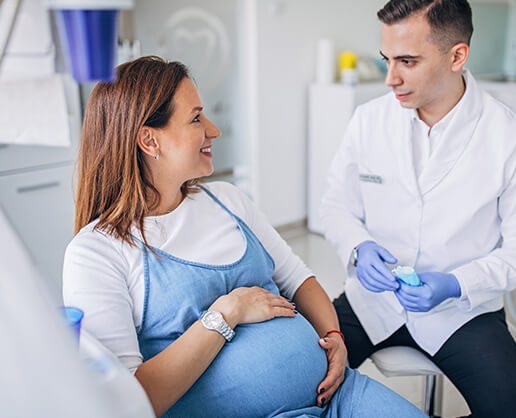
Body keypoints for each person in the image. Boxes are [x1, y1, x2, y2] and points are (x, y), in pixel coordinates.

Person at [62, 56, 425, 418]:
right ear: (149, 140)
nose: (214, 129)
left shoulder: (228, 200)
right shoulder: (97, 253)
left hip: (339, 396)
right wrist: (227, 311)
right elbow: (124, 402)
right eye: (196, 118)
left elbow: (299, 280)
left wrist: (336, 339)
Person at [319, 1, 516, 417]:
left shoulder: (513, 136)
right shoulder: (368, 120)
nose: (390, 78)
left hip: (463, 311)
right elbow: (336, 205)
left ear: (457, 56)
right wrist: (359, 247)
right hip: (369, 303)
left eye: (407, 61)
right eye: (387, 59)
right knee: (293, 382)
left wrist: (457, 284)